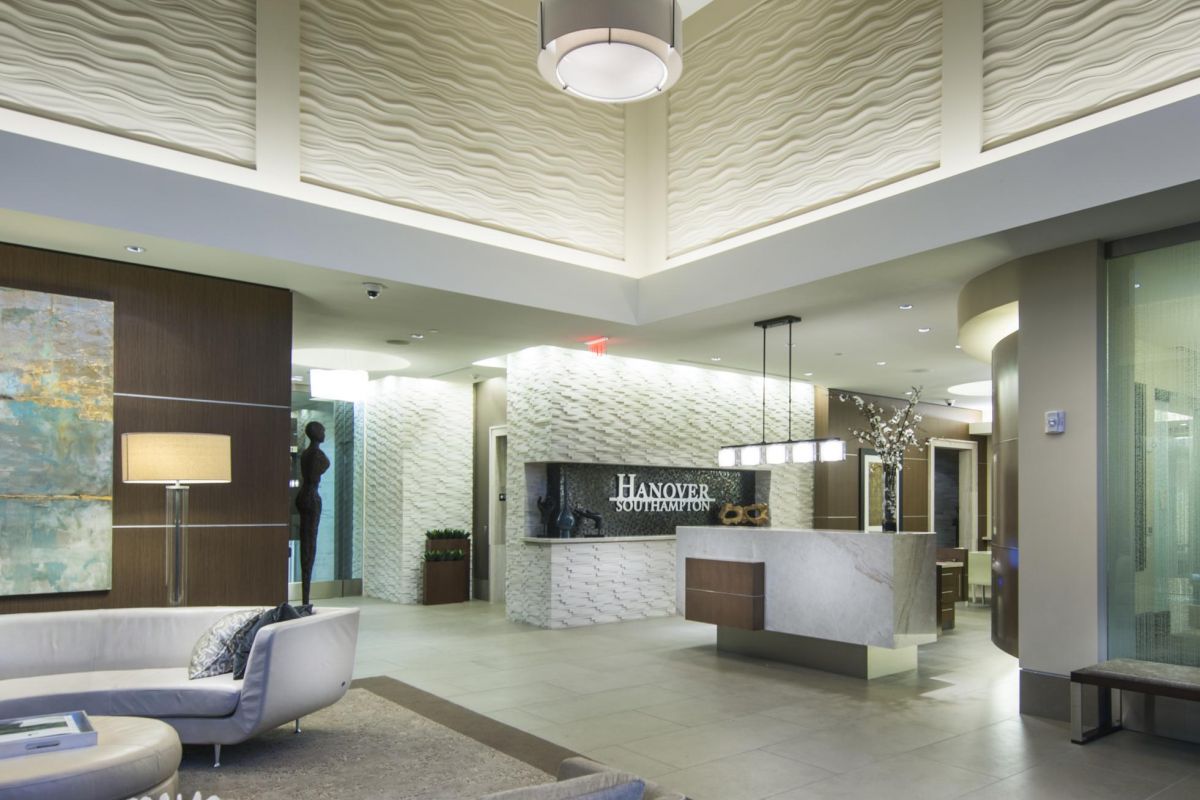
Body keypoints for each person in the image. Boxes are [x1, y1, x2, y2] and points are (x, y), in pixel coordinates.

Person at [295, 421, 330, 606]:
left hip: (304, 496)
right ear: (316, 433)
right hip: (311, 497)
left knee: (307, 543)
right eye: (323, 430)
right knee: (310, 544)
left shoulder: (305, 454)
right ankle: (305, 598)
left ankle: (305, 597)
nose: (325, 432)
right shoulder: (316, 454)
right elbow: (326, 464)